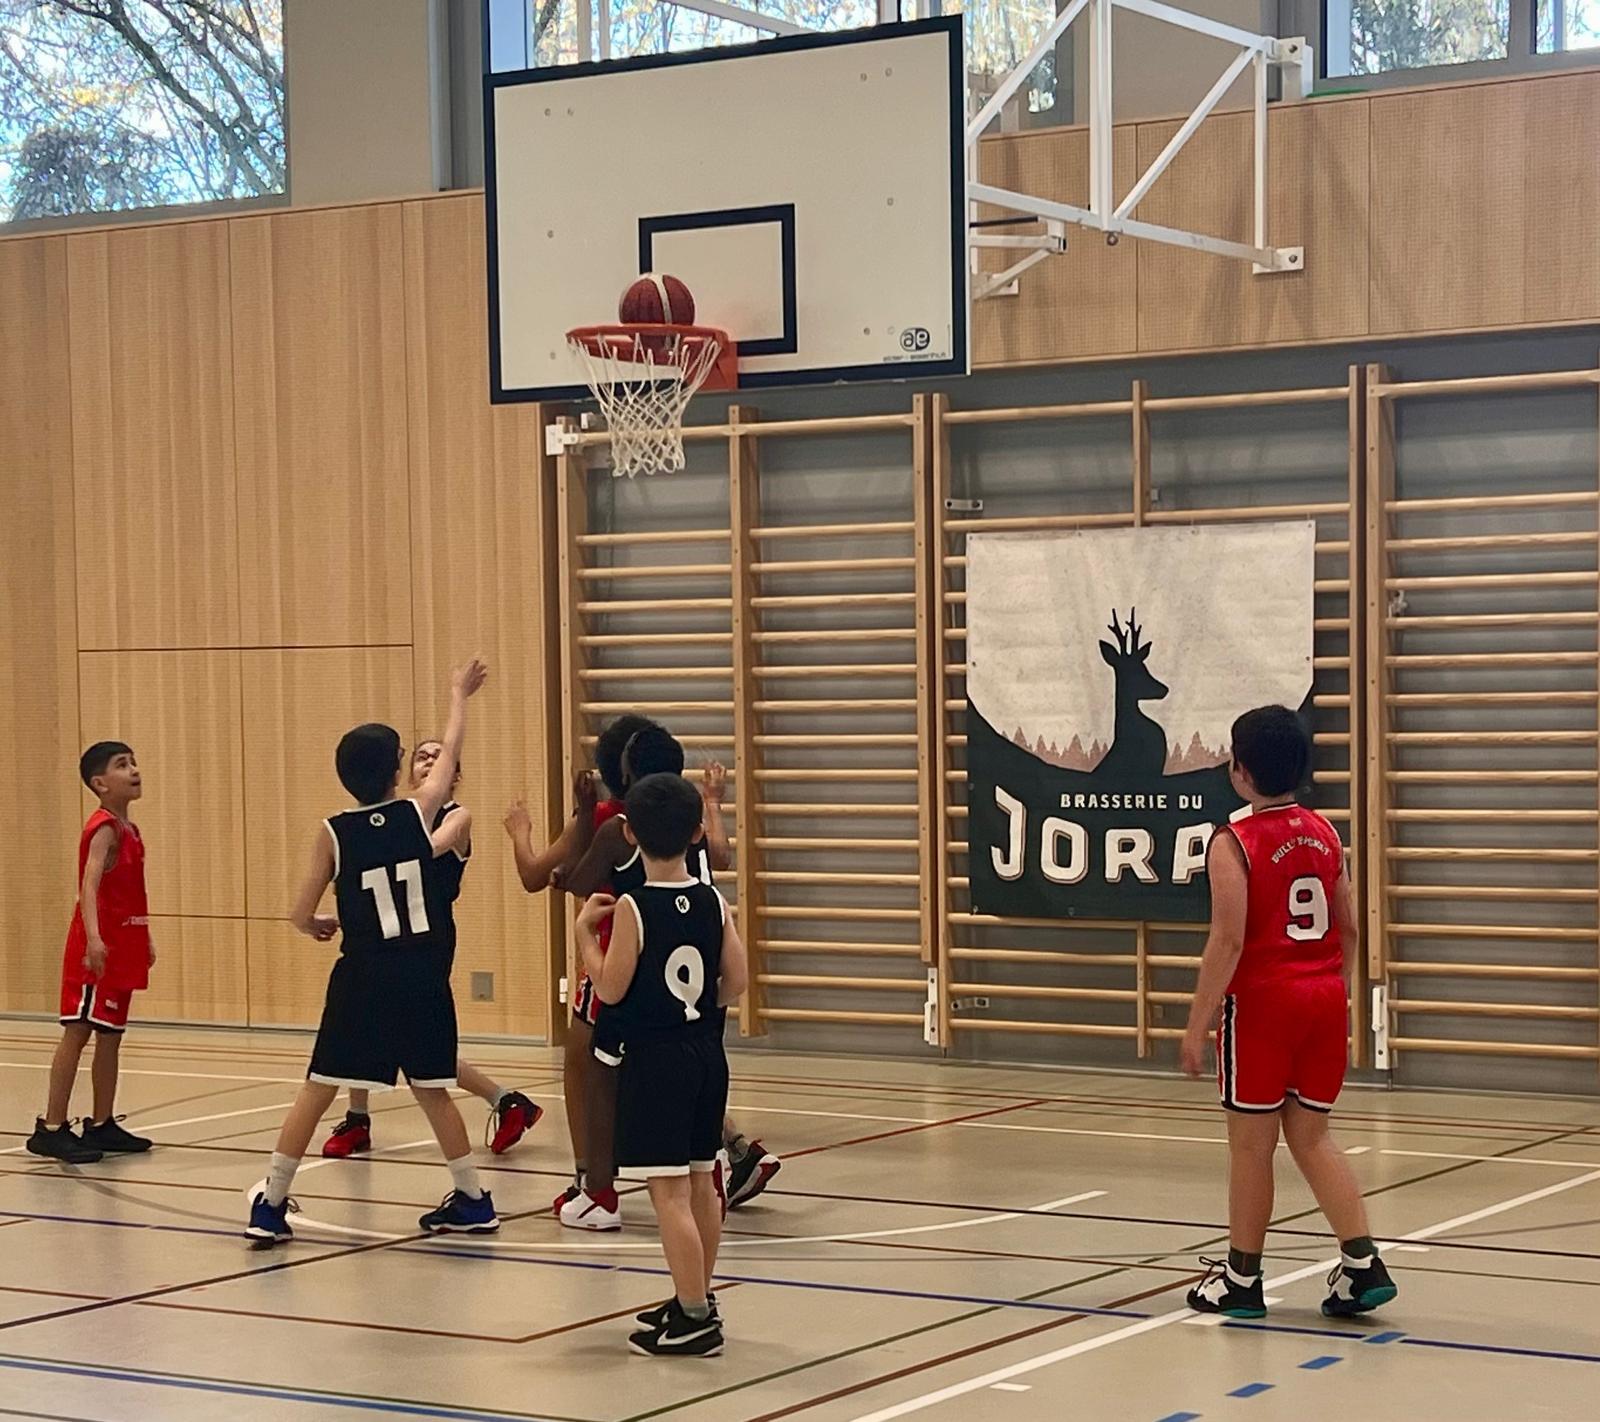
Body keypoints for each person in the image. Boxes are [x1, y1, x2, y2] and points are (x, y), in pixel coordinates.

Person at [246, 659, 498, 1247]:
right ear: (394, 772)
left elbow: (299, 913)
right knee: (432, 1090)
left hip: (363, 977)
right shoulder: (418, 812)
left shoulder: (334, 831)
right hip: (424, 976)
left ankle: (272, 1203)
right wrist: (458, 694)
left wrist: (318, 924)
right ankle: (472, 1197)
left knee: (319, 1088)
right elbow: (450, 754)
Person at [1180, 705, 1397, 1320]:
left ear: (1240, 770)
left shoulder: (1234, 842)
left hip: (1264, 1006)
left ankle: (1241, 1278)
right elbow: (1349, 926)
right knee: (1313, 1135)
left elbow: (1227, 942)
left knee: (1251, 1146)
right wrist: (1331, 989)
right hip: (1324, 999)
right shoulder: (1325, 833)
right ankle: (1363, 1264)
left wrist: (1196, 1025)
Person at [555, 726, 770, 1230]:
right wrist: (713, 802)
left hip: (638, 977)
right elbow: (737, 975)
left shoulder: (619, 832)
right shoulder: (699, 855)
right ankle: (723, 1159)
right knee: (691, 1086)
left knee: (599, 1074)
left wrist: (584, 930)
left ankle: (598, 1189)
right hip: (698, 999)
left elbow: (576, 885)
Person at [574, 772, 747, 1356]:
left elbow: (611, 988)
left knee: (668, 1193)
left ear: (628, 832)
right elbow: (736, 981)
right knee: (702, 1181)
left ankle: (695, 1317)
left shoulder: (633, 906)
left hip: (658, 1062)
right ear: (698, 831)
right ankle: (697, 1296)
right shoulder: (714, 901)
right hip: (706, 1055)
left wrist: (585, 938)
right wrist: (694, 1009)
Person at [320, 740, 542, 1159]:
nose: (428, 762)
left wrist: (362, 842)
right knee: (367, 1020)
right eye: (421, 756)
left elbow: (420, 852)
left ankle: (505, 1100)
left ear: (453, 775)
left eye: (438, 757)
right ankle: (358, 1119)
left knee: (411, 1041)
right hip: (385, 936)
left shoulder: (454, 817)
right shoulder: (394, 817)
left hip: (427, 941)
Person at [26, 743, 157, 1164]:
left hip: (123, 946)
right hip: (96, 949)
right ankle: (51, 1127)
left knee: (111, 1035)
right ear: (100, 783)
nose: (134, 770)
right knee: (78, 1031)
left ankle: (102, 1123)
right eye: (122, 765)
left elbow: (130, 891)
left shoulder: (130, 829)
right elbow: (89, 884)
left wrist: (144, 936)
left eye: (133, 762)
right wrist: (94, 939)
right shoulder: (103, 828)